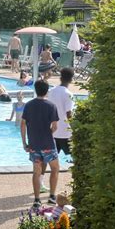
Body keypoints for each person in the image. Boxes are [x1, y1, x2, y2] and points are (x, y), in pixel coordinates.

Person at [21, 79, 60, 209]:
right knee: (54, 168)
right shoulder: (51, 106)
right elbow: (55, 127)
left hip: (34, 144)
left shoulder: (29, 105)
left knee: (36, 172)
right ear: (47, 90)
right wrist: (48, 132)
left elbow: (23, 124)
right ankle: (52, 197)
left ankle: (37, 200)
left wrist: (24, 143)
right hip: (48, 144)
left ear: (35, 90)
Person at [48, 67, 74, 162]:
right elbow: (69, 114)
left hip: (53, 131)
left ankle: (41, 176)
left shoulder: (51, 92)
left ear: (60, 78)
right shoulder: (68, 94)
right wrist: (75, 129)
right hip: (66, 133)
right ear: (71, 79)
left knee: (51, 161)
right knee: (75, 159)